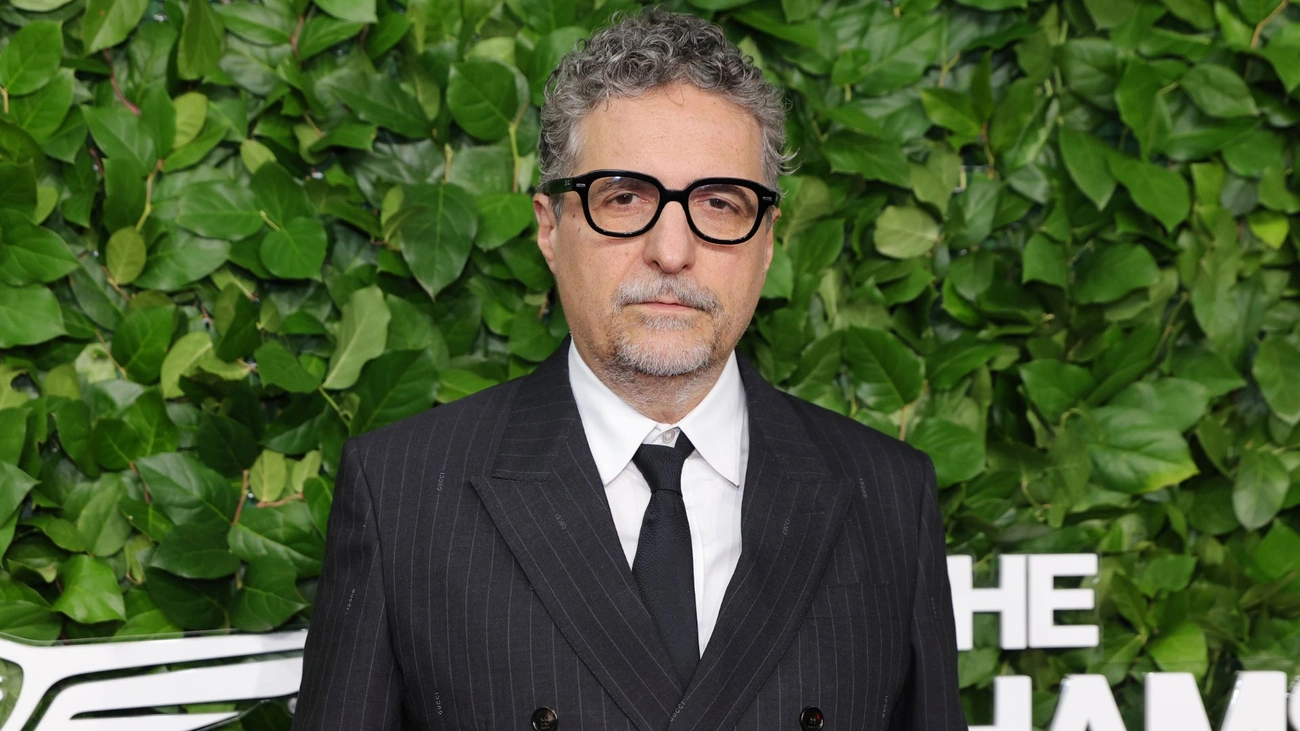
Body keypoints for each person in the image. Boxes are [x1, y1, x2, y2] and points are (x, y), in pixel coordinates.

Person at [291, 6, 965, 730]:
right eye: (624, 198)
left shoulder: (888, 497)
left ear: (767, 241)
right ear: (550, 228)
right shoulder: (402, 494)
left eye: (719, 203)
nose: (671, 252)